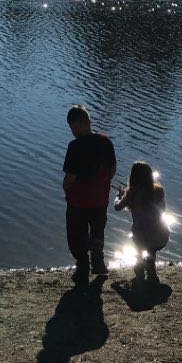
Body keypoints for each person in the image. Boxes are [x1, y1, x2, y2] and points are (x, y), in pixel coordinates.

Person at [62, 104, 117, 285]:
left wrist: (65, 188)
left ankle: (83, 266)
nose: (72, 132)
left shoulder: (75, 146)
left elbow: (70, 177)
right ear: (89, 121)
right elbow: (113, 168)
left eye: (71, 128)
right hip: (100, 200)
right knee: (97, 231)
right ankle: (98, 262)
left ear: (76, 125)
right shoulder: (105, 141)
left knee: (76, 235)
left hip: (78, 202)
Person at [114, 161, 170, 285]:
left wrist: (119, 196)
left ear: (133, 176)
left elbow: (117, 207)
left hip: (142, 236)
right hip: (162, 236)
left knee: (139, 249)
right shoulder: (159, 190)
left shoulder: (132, 193)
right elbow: (163, 210)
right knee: (151, 250)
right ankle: (151, 273)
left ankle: (140, 274)